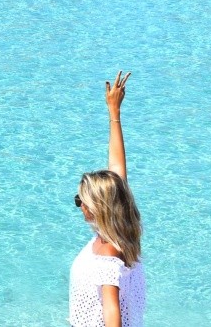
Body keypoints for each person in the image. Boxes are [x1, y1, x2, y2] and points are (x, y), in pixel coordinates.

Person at [69, 71, 146, 327]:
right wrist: (114, 113)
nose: (79, 205)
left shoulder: (107, 252)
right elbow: (117, 169)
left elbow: (112, 313)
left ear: (97, 209)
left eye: (81, 201)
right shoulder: (124, 231)